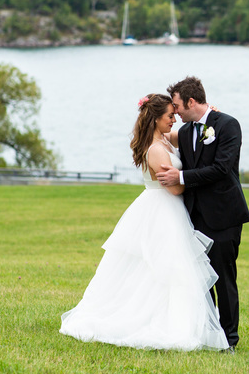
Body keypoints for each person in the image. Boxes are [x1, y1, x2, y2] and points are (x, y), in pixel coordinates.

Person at [59, 93, 228, 351]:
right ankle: (162, 321)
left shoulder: (163, 139)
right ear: (156, 119)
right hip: (163, 209)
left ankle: (178, 318)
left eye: (174, 114)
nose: (174, 120)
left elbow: (189, 136)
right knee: (165, 267)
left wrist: (207, 118)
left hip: (168, 209)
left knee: (168, 268)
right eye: (169, 116)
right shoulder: (157, 149)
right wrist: (191, 181)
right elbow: (173, 189)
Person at [157, 76, 249, 354]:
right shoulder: (185, 132)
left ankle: (229, 340)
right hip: (194, 217)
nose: (174, 112)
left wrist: (181, 175)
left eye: (176, 106)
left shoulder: (228, 125)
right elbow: (157, 134)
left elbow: (223, 168)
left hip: (224, 216)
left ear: (191, 101)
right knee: (199, 280)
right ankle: (207, 334)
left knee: (223, 279)